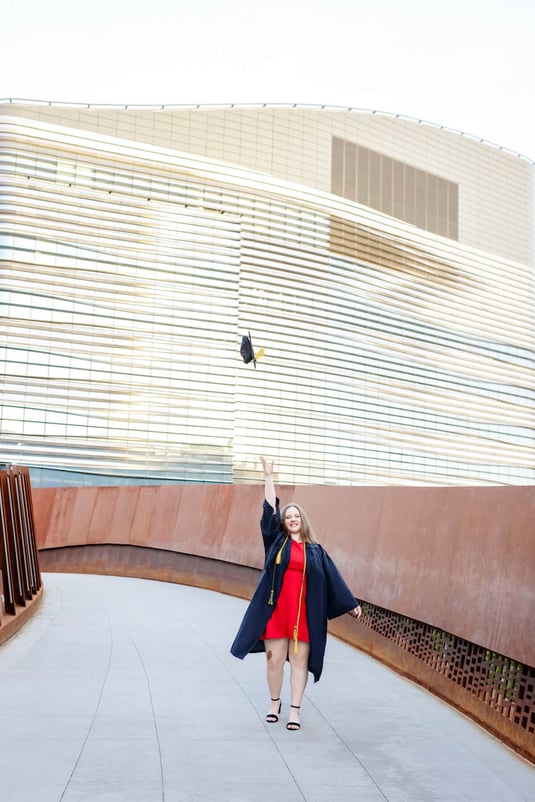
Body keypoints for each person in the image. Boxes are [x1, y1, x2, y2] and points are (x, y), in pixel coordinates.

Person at [230, 456, 362, 731]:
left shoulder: (316, 551)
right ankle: (274, 702)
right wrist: (268, 478)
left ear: (303, 521)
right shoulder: (276, 543)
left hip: (303, 614)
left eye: (296, 516)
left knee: (299, 661)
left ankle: (294, 711)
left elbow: (333, 578)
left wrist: (350, 603)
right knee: (273, 659)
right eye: (288, 517)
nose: (291, 520)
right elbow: (268, 511)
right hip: (276, 611)